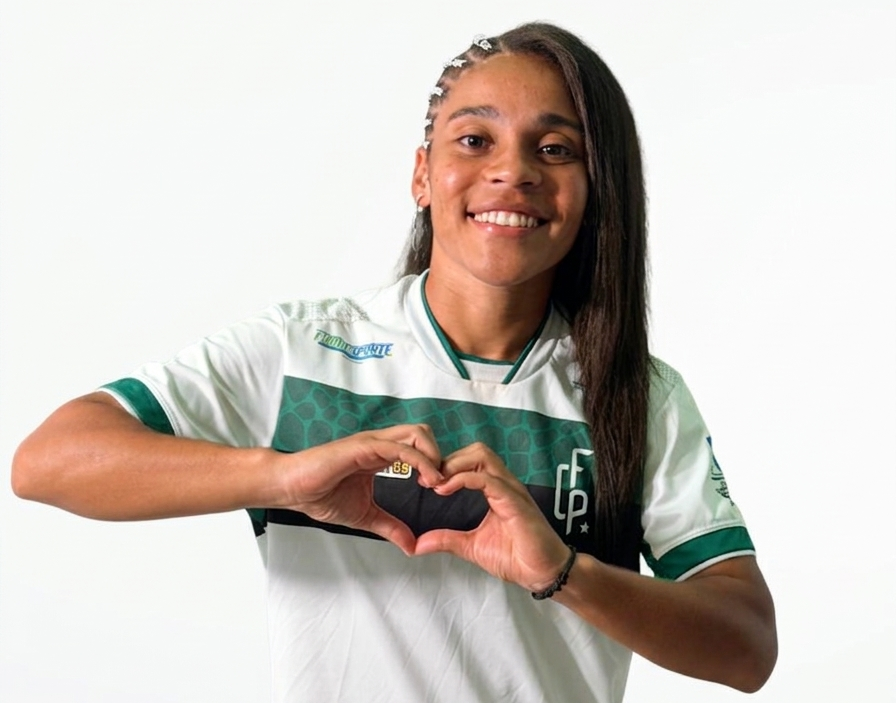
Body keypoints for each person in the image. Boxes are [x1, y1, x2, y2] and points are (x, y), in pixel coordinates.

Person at [11, 21, 777, 703]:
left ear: (596, 191)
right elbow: (49, 459)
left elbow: (747, 645)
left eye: (555, 148)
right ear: (421, 175)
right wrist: (285, 477)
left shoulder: (639, 396)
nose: (513, 170)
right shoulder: (303, 355)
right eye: (474, 140)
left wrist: (562, 571)